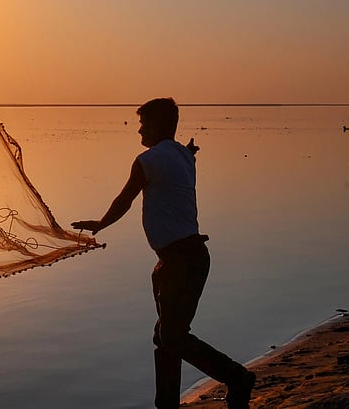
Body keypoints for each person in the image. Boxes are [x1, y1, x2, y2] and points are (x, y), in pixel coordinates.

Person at [72, 98, 255, 409]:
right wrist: (189, 150)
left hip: (182, 260)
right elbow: (181, 160)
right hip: (183, 258)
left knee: (172, 336)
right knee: (166, 335)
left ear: (157, 125)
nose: (139, 130)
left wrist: (101, 224)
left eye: (143, 123)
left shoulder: (148, 160)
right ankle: (167, 403)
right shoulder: (184, 156)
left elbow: (125, 199)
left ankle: (237, 377)